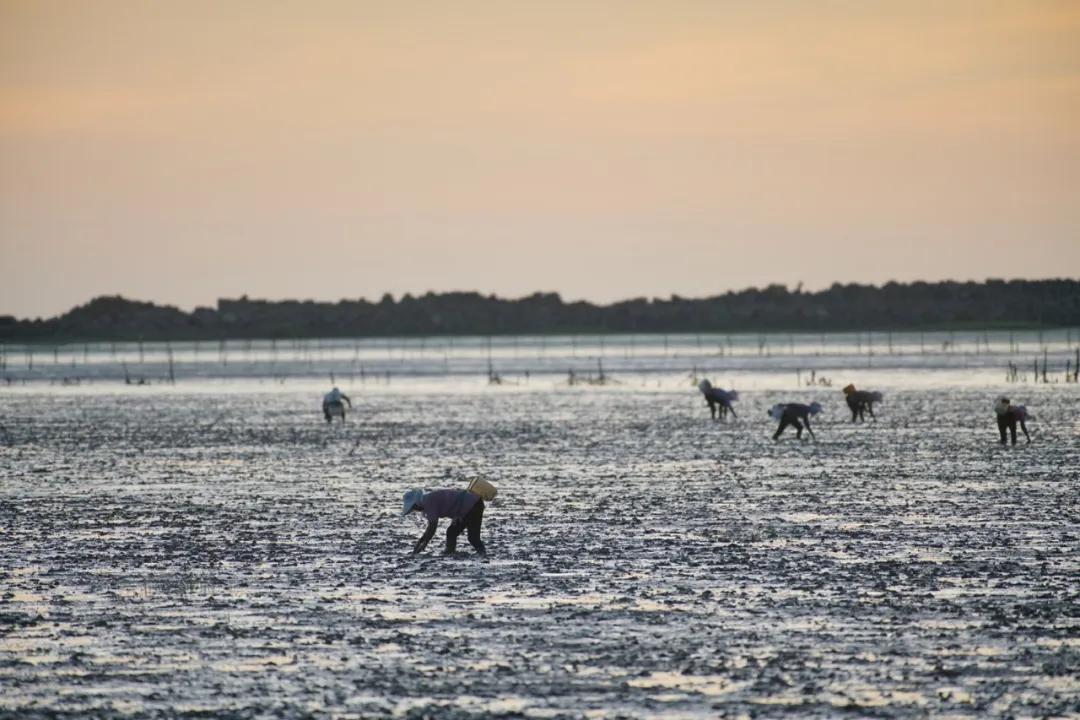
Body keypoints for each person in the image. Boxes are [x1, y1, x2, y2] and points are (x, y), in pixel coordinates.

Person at [401, 487, 487, 556]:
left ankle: (452, 553)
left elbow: (432, 527)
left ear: (416, 504)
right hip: (473, 503)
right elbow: (430, 527)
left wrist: (424, 544)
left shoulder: (428, 503)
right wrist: (421, 540)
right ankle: (481, 554)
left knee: (461, 534)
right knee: (455, 533)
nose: (415, 510)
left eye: (414, 508)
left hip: (471, 505)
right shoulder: (428, 499)